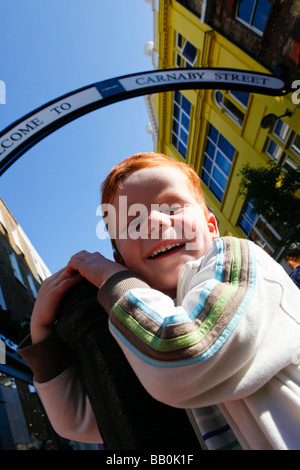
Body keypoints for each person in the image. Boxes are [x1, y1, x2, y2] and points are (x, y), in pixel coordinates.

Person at [18, 152, 300, 450]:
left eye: (172, 207)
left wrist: (114, 282)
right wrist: (42, 332)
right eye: (132, 221)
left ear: (211, 227)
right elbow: (85, 419)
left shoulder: (239, 261)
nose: (153, 223)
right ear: (120, 259)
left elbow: (186, 351)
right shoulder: (143, 326)